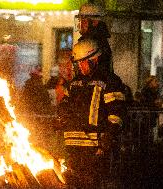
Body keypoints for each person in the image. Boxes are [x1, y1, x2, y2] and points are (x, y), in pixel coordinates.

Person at [58, 39, 127, 188]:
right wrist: (62, 113)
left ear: (94, 59)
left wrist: (107, 139)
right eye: (78, 63)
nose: (80, 67)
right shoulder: (74, 83)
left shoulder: (109, 82)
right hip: (73, 148)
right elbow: (64, 104)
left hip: (95, 148)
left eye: (83, 62)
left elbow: (117, 113)